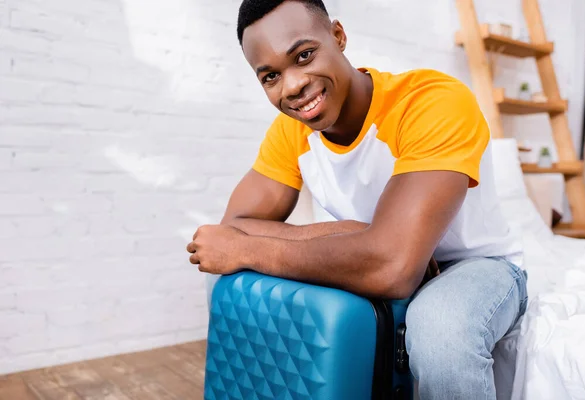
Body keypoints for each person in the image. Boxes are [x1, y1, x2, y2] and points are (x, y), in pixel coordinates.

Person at [186, 0, 528, 398]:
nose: (293, 85)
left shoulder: (432, 102)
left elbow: (394, 268)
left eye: (304, 55)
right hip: (366, 253)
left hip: (473, 264)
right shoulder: (290, 132)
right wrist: (351, 233)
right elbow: (232, 229)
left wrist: (255, 249)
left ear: (338, 36)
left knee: (441, 331)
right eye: (270, 76)